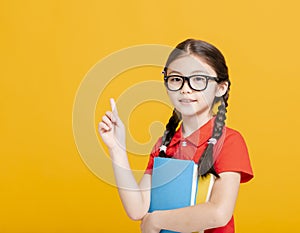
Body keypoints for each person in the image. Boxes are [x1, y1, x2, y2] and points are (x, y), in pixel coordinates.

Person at [98, 39, 253, 233]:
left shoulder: (229, 141)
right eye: (176, 79)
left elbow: (218, 213)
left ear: (220, 88)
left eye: (198, 79)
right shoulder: (164, 145)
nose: (185, 88)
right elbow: (137, 209)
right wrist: (117, 149)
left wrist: (156, 221)